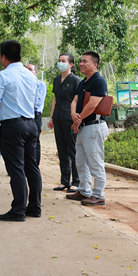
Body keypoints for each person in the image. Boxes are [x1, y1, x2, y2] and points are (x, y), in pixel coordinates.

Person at [0, 40, 42, 222]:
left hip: (13, 126)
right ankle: (34, 207)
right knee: (32, 167)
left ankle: (18, 210)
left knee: (16, 168)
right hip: (31, 124)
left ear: (3, 57)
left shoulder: (3, 76)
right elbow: (35, 102)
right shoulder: (31, 76)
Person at [66, 51, 109, 207]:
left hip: (94, 127)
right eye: (80, 61)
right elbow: (75, 100)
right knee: (81, 162)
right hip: (83, 126)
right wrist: (74, 115)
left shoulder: (99, 81)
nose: (81, 64)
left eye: (85, 61)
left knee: (95, 162)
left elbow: (93, 105)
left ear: (95, 65)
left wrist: (78, 119)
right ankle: (84, 190)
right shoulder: (84, 82)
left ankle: (98, 195)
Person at [48, 54, 81, 192]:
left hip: (70, 119)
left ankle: (76, 181)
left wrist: (77, 119)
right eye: (59, 61)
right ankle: (64, 181)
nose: (60, 63)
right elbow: (55, 99)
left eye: (64, 61)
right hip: (58, 118)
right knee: (61, 150)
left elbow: (78, 101)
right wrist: (51, 117)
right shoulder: (56, 80)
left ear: (70, 64)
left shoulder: (76, 81)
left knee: (73, 150)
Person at [25, 64, 47, 166]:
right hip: (24, 114)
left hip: (35, 114)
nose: (28, 71)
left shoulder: (40, 85)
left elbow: (37, 102)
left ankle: (34, 165)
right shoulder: (22, 85)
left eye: (30, 70)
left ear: (36, 72)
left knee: (35, 141)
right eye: (26, 70)